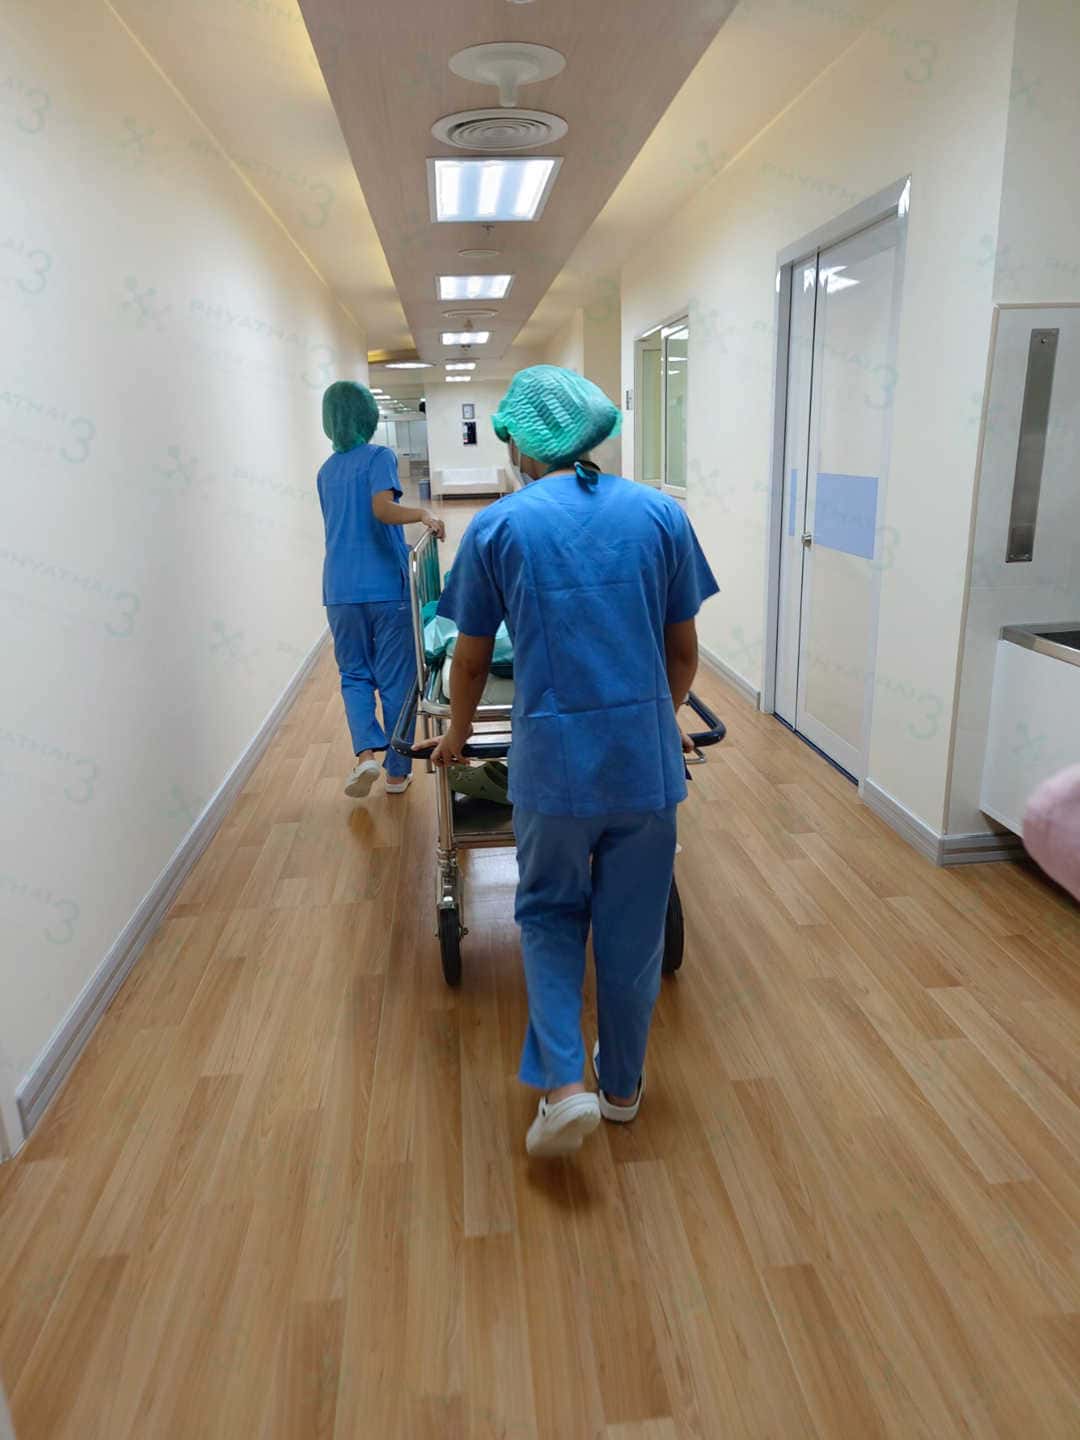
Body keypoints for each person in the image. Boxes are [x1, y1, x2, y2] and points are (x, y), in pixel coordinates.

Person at [422, 365, 718, 1157]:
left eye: (510, 438)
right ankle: (621, 1088)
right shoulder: (661, 515)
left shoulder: (499, 527)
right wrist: (661, 720)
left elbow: (471, 663)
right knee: (633, 929)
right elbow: (682, 654)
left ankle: (561, 1087)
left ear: (523, 441)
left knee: (551, 915)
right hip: (645, 771)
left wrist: (455, 735)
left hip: (554, 771)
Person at [317, 380, 444, 799]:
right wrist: (423, 514)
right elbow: (381, 510)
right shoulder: (379, 456)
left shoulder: (326, 471)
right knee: (396, 679)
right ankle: (395, 773)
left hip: (340, 589)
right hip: (385, 588)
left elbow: (346, 526)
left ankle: (365, 756)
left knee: (354, 674)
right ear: (368, 416)